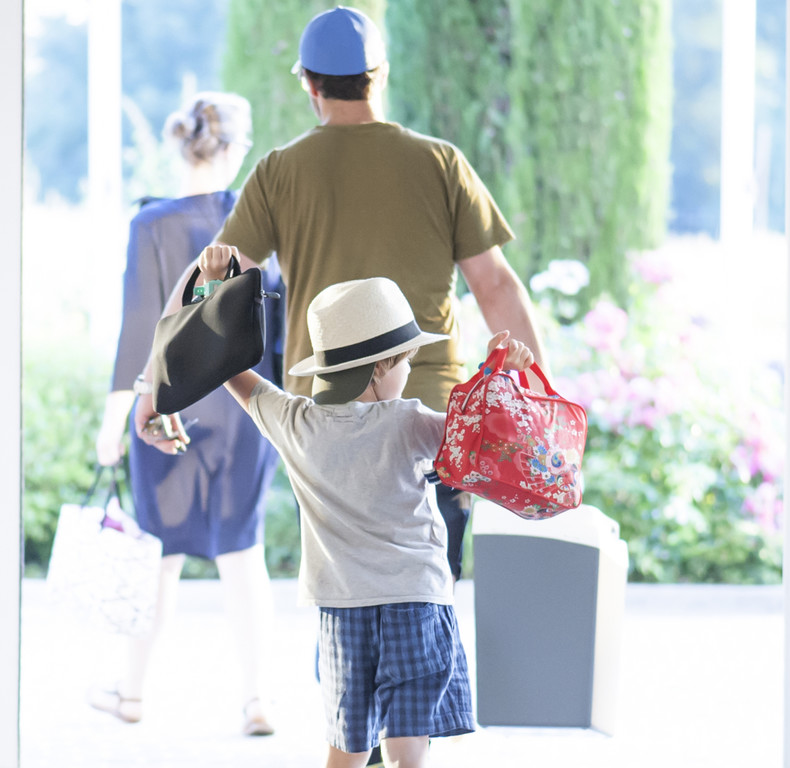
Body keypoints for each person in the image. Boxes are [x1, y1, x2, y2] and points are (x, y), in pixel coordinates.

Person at [132, 5, 546, 585]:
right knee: (432, 592)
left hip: (326, 430)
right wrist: (537, 400)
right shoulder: (440, 163)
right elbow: (497, 287)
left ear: (310, 85)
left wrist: (156, 385)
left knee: (340, 597)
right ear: (380, 75)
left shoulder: (280, 172)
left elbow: (210, 280)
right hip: (431, 416)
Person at [150, 260, 537, 768]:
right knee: (407, 755)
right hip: (416, 601)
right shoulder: (410, 421)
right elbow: (487, 443)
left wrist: (217, 287)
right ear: (379, 366)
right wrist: (499, 374)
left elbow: (227, 369)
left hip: (343, 610)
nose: (407, 371)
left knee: (346, 750)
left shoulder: (293, 422)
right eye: (405, 361)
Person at [92, 92, 283, 736]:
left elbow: (139, 330)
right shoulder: (261, 225)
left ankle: (133, 692)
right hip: (246, 408)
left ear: (182, 145)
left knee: (159, 557)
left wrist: (113, 422)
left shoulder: (150, 225)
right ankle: (257, 700)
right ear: (233, 149)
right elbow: (275, 325)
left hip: (166, 410)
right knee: (243, 554)